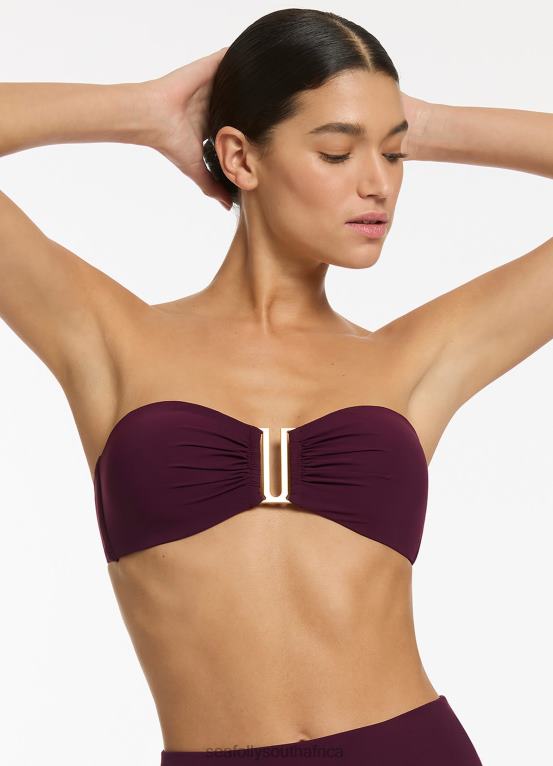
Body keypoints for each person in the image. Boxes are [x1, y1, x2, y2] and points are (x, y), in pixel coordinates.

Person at [1, 7, 551, 765]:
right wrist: (143, 112)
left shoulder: (411, 360)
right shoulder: (111, 340)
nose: (378, 184)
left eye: (394, 156)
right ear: (240, 157)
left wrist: (418, 122)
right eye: (336, 151)